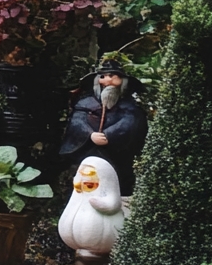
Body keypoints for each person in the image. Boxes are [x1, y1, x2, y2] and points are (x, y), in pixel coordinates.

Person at [59, 61, 147, 193]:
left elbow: (130, 122)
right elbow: (77, 121)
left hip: (116, 153)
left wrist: (109, 134)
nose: (108, 80)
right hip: (88, 149)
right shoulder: (85, 103)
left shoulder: (130, 106)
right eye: (103, 76)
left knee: (117, 181)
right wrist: (90, 134)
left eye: (113, 76)